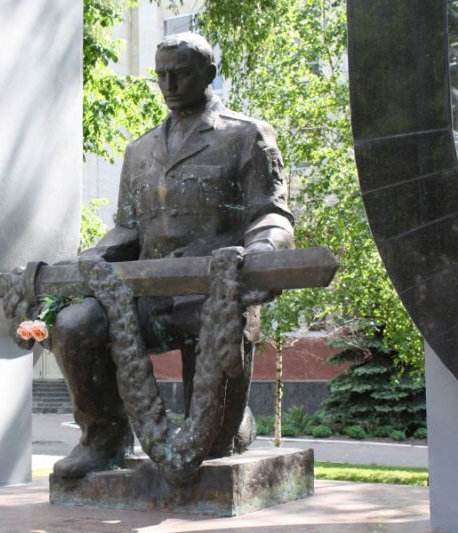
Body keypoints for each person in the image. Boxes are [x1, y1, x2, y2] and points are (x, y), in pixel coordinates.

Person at [49, 32, 295, 478]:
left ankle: (233, 422)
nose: (169, 83)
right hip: (151, 300)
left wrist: (259, 252)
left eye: (180, 73)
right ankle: (102, 436)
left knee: (214, 451)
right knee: (74, 325)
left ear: (209, 74)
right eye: (161, 74)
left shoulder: (245, 136)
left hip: (215, 300)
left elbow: (272, 216)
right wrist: (92, 257)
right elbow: (127, 229)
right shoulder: (139, 150)